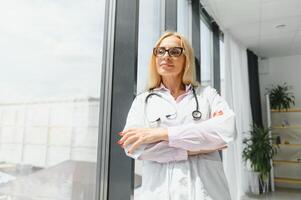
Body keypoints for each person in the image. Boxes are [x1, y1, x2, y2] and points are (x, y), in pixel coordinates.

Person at [117, 32, 235, 200]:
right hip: (159, 193)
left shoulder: (207, 95)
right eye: (161, 51)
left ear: (186, 58)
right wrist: (196, 148)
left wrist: (161, 134)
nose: (166, 56)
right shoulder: (142, 100)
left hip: (207, 192)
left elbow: (226, 131)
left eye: (174, 52)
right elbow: (132, 147)